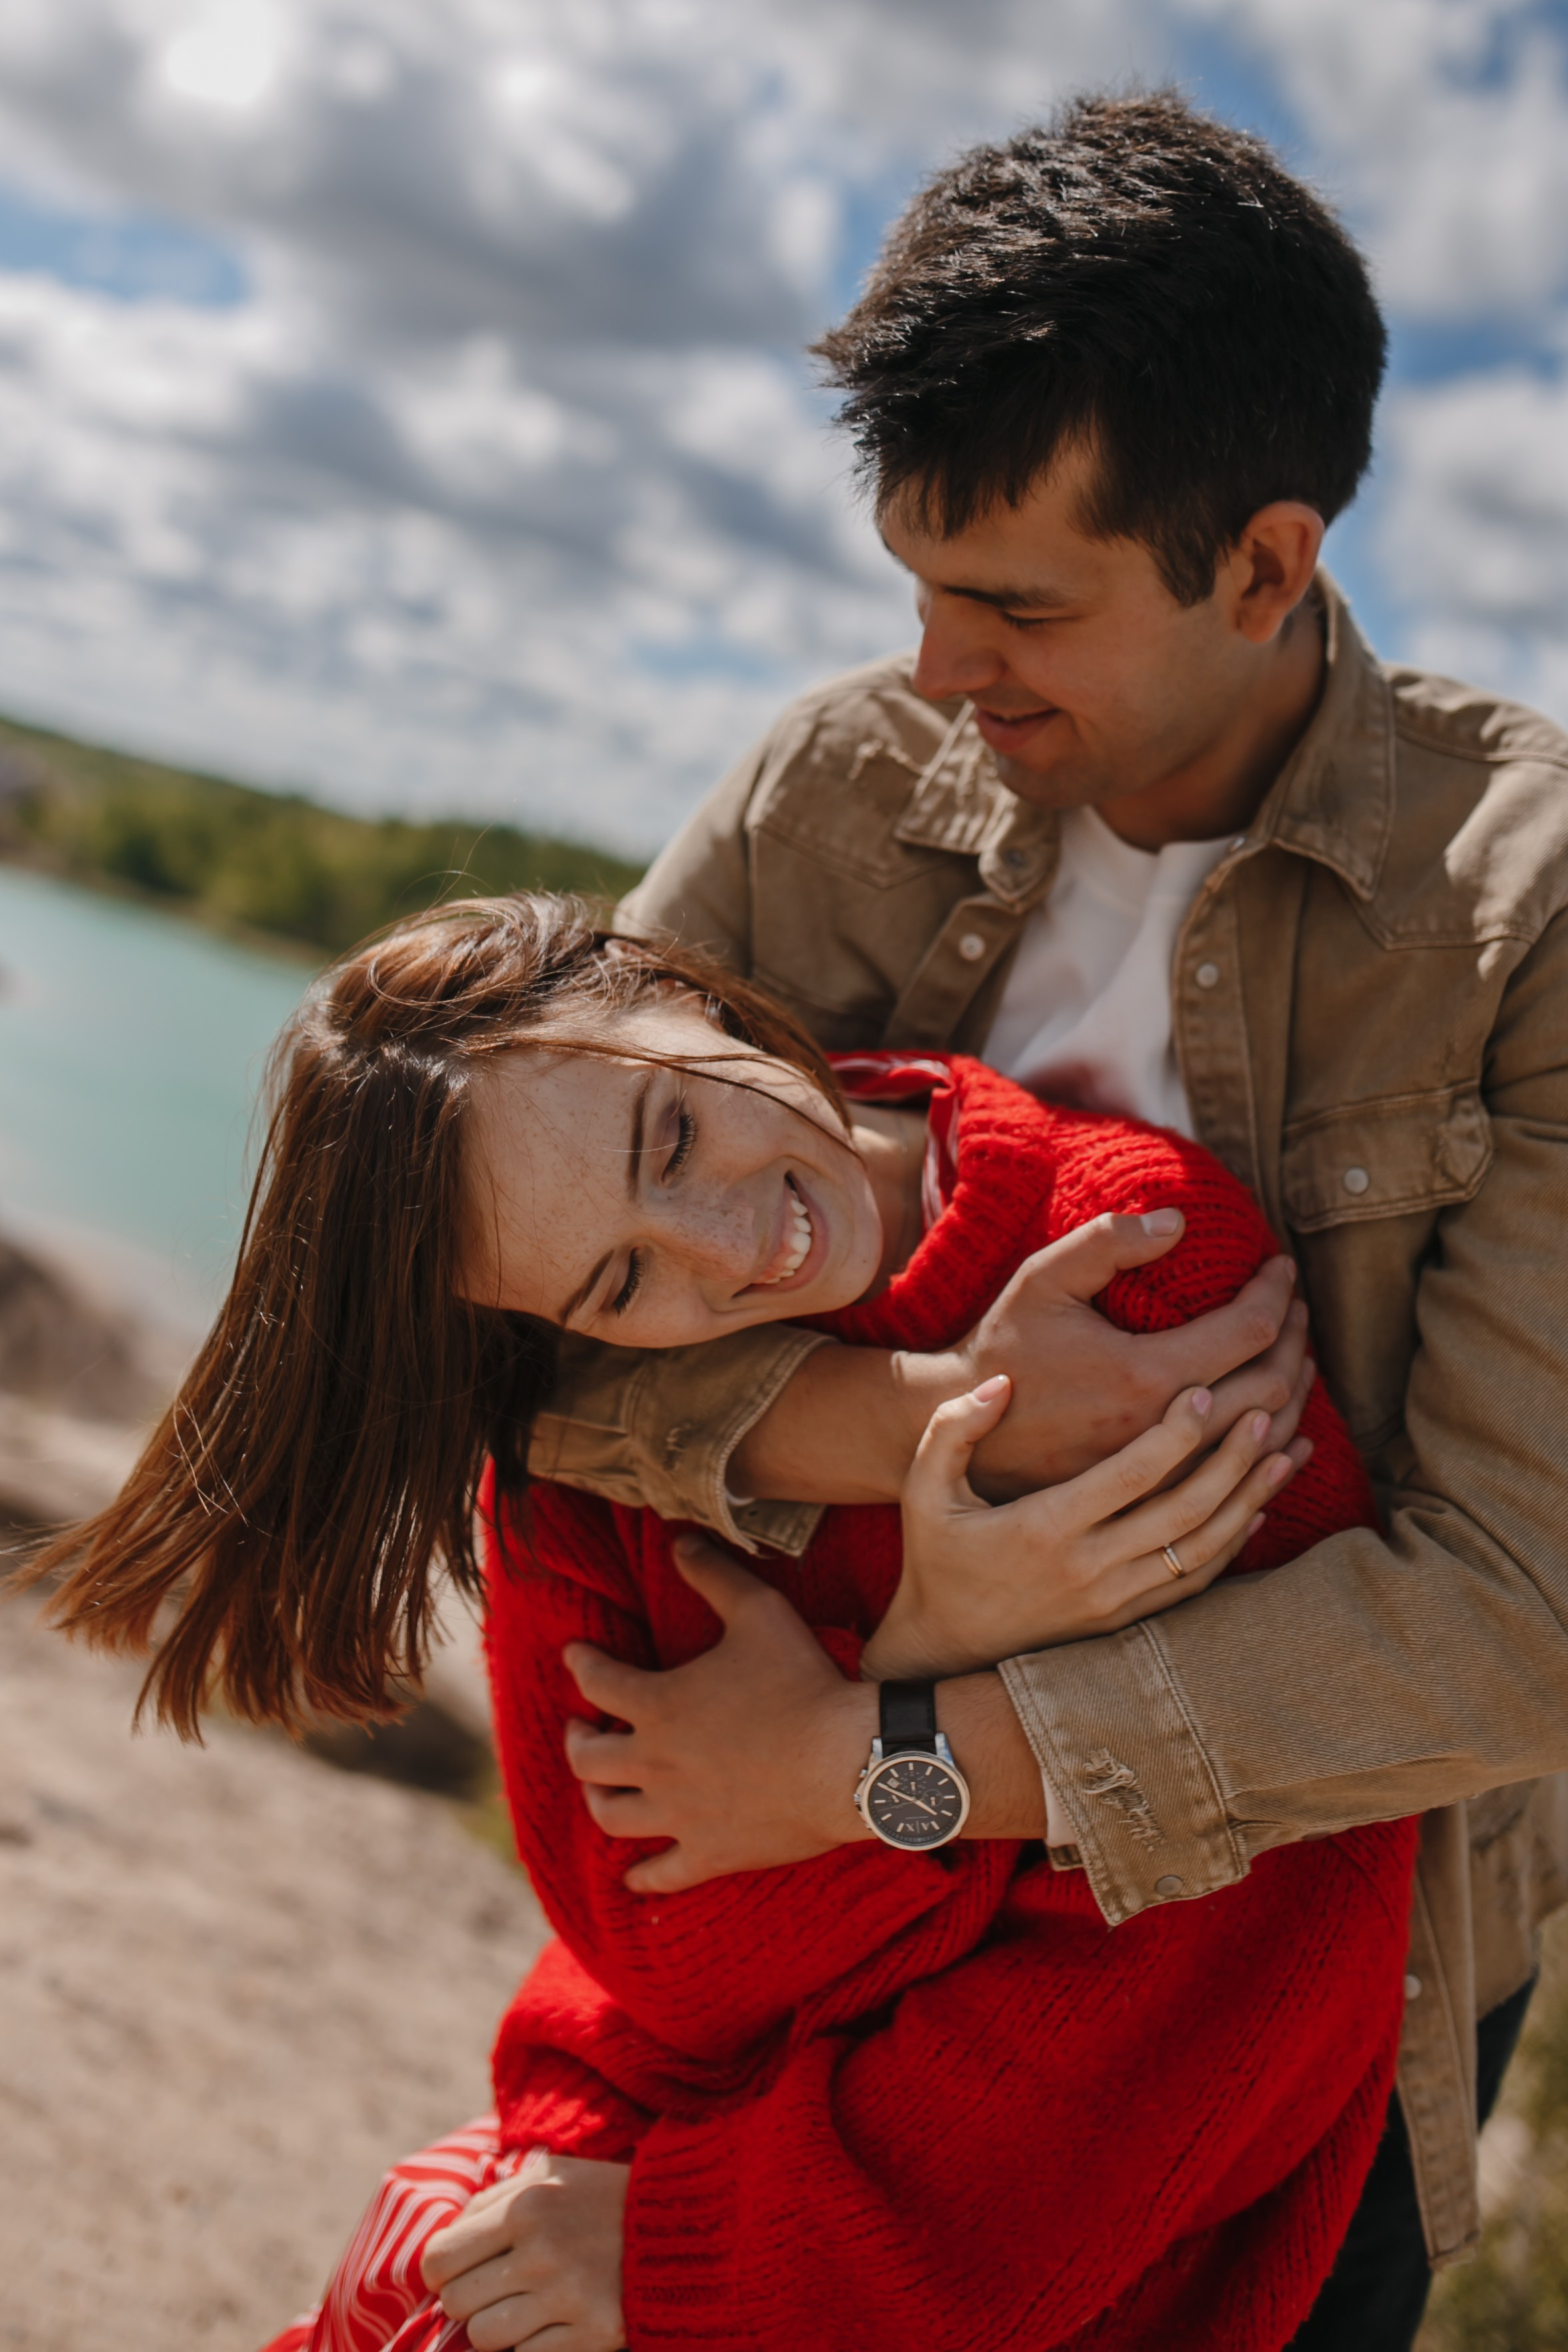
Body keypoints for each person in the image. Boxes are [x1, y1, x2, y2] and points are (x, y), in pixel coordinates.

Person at [521, 90, 1568, 2345]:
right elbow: (513, 1320)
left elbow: (1514, 1621)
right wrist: (910, 1430)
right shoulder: (830, 798)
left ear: (1262, 566)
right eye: (912, 582)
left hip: (1301, 1981)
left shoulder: (1529, 911)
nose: (932, 668)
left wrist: (878, 1760)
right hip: (801, 1915)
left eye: (1011, 602)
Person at [35, 895, 1411, 2349]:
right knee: (407, 2271)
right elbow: (659, 1967)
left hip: (957, 2270)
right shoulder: (585, 1422)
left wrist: (684, 2246)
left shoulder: (1132, 1275)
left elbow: (1229, 1983)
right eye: (624, 1278)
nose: (733, 1247)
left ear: (675, 987)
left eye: (673, 1137)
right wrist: (915, 1660)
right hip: (645, 2143)